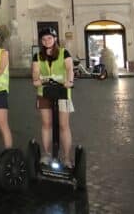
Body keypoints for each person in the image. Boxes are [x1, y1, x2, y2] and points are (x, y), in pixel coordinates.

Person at [32, 27, 76, 168]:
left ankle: (67, 158)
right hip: (44, 93)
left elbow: (69, 68)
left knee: (63, 125)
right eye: (44, 39)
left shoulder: (64, 53)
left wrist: (69, 81)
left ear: (55, 39)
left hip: (62, 92)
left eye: (49, 38)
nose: (46, 41)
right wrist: (40, 80)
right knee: (46, 124)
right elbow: (35, 73)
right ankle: (46, 154)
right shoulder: (38, 56)